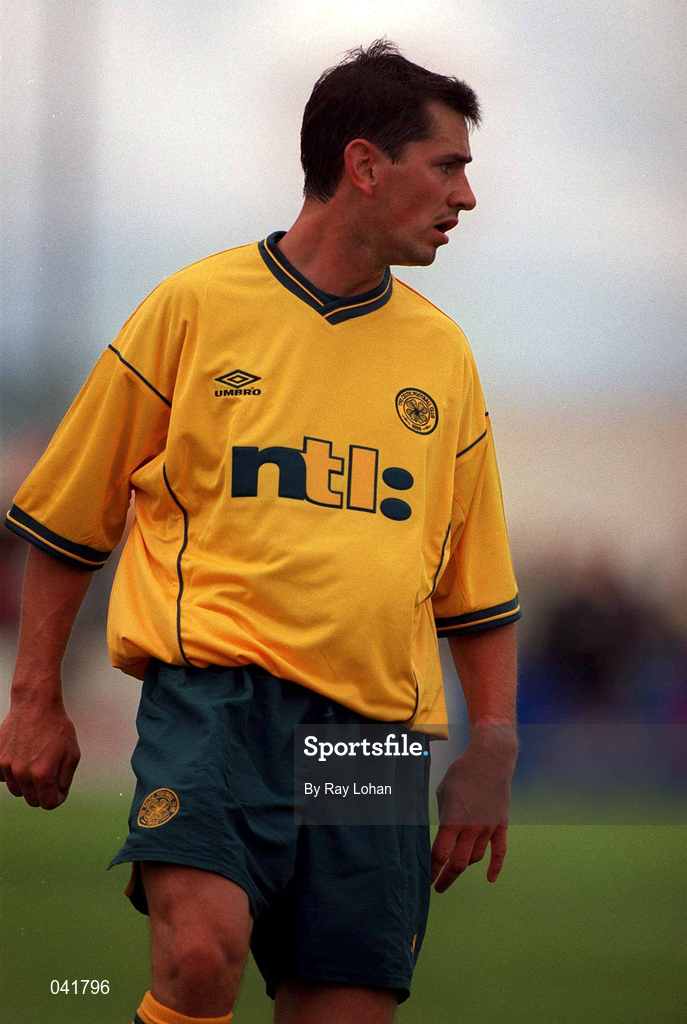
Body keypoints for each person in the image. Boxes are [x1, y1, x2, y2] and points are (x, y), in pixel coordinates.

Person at [0, 38, 521, 1024]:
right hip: (217, 708)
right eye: (448, 164)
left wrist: (492, 741)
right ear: (364, 164)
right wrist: (35, 697)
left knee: (345, 1008)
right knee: (199, 955)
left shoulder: (443, 357)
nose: (467, 195)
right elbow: (68, 517)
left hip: (370, 738)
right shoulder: (193, 308)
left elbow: (477, 585)